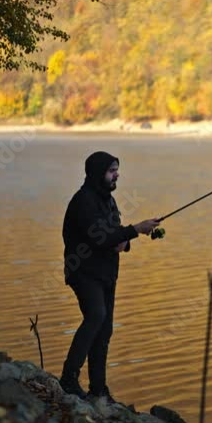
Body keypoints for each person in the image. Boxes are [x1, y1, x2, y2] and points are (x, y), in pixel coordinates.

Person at [59, 151, 160, 402]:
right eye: (111, 170)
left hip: (106, 274)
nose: (117, 174)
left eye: (117, 169)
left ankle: (98, 389)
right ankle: (68, 379)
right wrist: (136, 229)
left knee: (105, 330)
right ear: (97, 173)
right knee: (96, 316)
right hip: (83, 271)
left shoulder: (108, 201)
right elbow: (100, 236)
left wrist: (126, 241)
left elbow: (114, 236)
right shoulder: (84, 201)